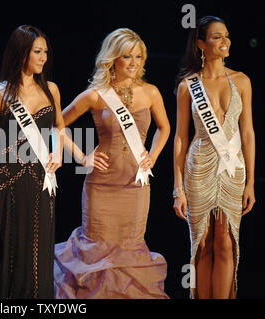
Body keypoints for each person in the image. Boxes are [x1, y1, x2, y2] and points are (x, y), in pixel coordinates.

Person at [54, 28, 170, 299]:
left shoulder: (151, 92)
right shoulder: (96, 94)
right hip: (101, 186)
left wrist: (153, 155)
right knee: (95, 252)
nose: (134, 63)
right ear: (113, 59)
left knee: (129, 252)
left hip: (135, 186)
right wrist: (82, 157)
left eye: (139, 57)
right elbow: (57, 124)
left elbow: (164, 128)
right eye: (127, 56)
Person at [173, 16, 255, 299]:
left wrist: (251, 184)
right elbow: (180, 137)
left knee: (226, 241)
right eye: (217, 37)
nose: (226, 41)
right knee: (203, 242)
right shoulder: (188, 85)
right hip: (198, 168)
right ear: (200, 45)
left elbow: (247, 133)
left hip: (233, 170)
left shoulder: (242, 80)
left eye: (227, 36)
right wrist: (177, 187)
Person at [0, 25, 64, 298]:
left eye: (46, 52)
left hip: (41, 184)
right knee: (9, 254)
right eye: (37, 52)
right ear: (21, 53)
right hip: (7, 185)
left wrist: (58, 151)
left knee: (38, 254)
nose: (44, 58)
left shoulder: (51, 89)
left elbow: (59, 129)